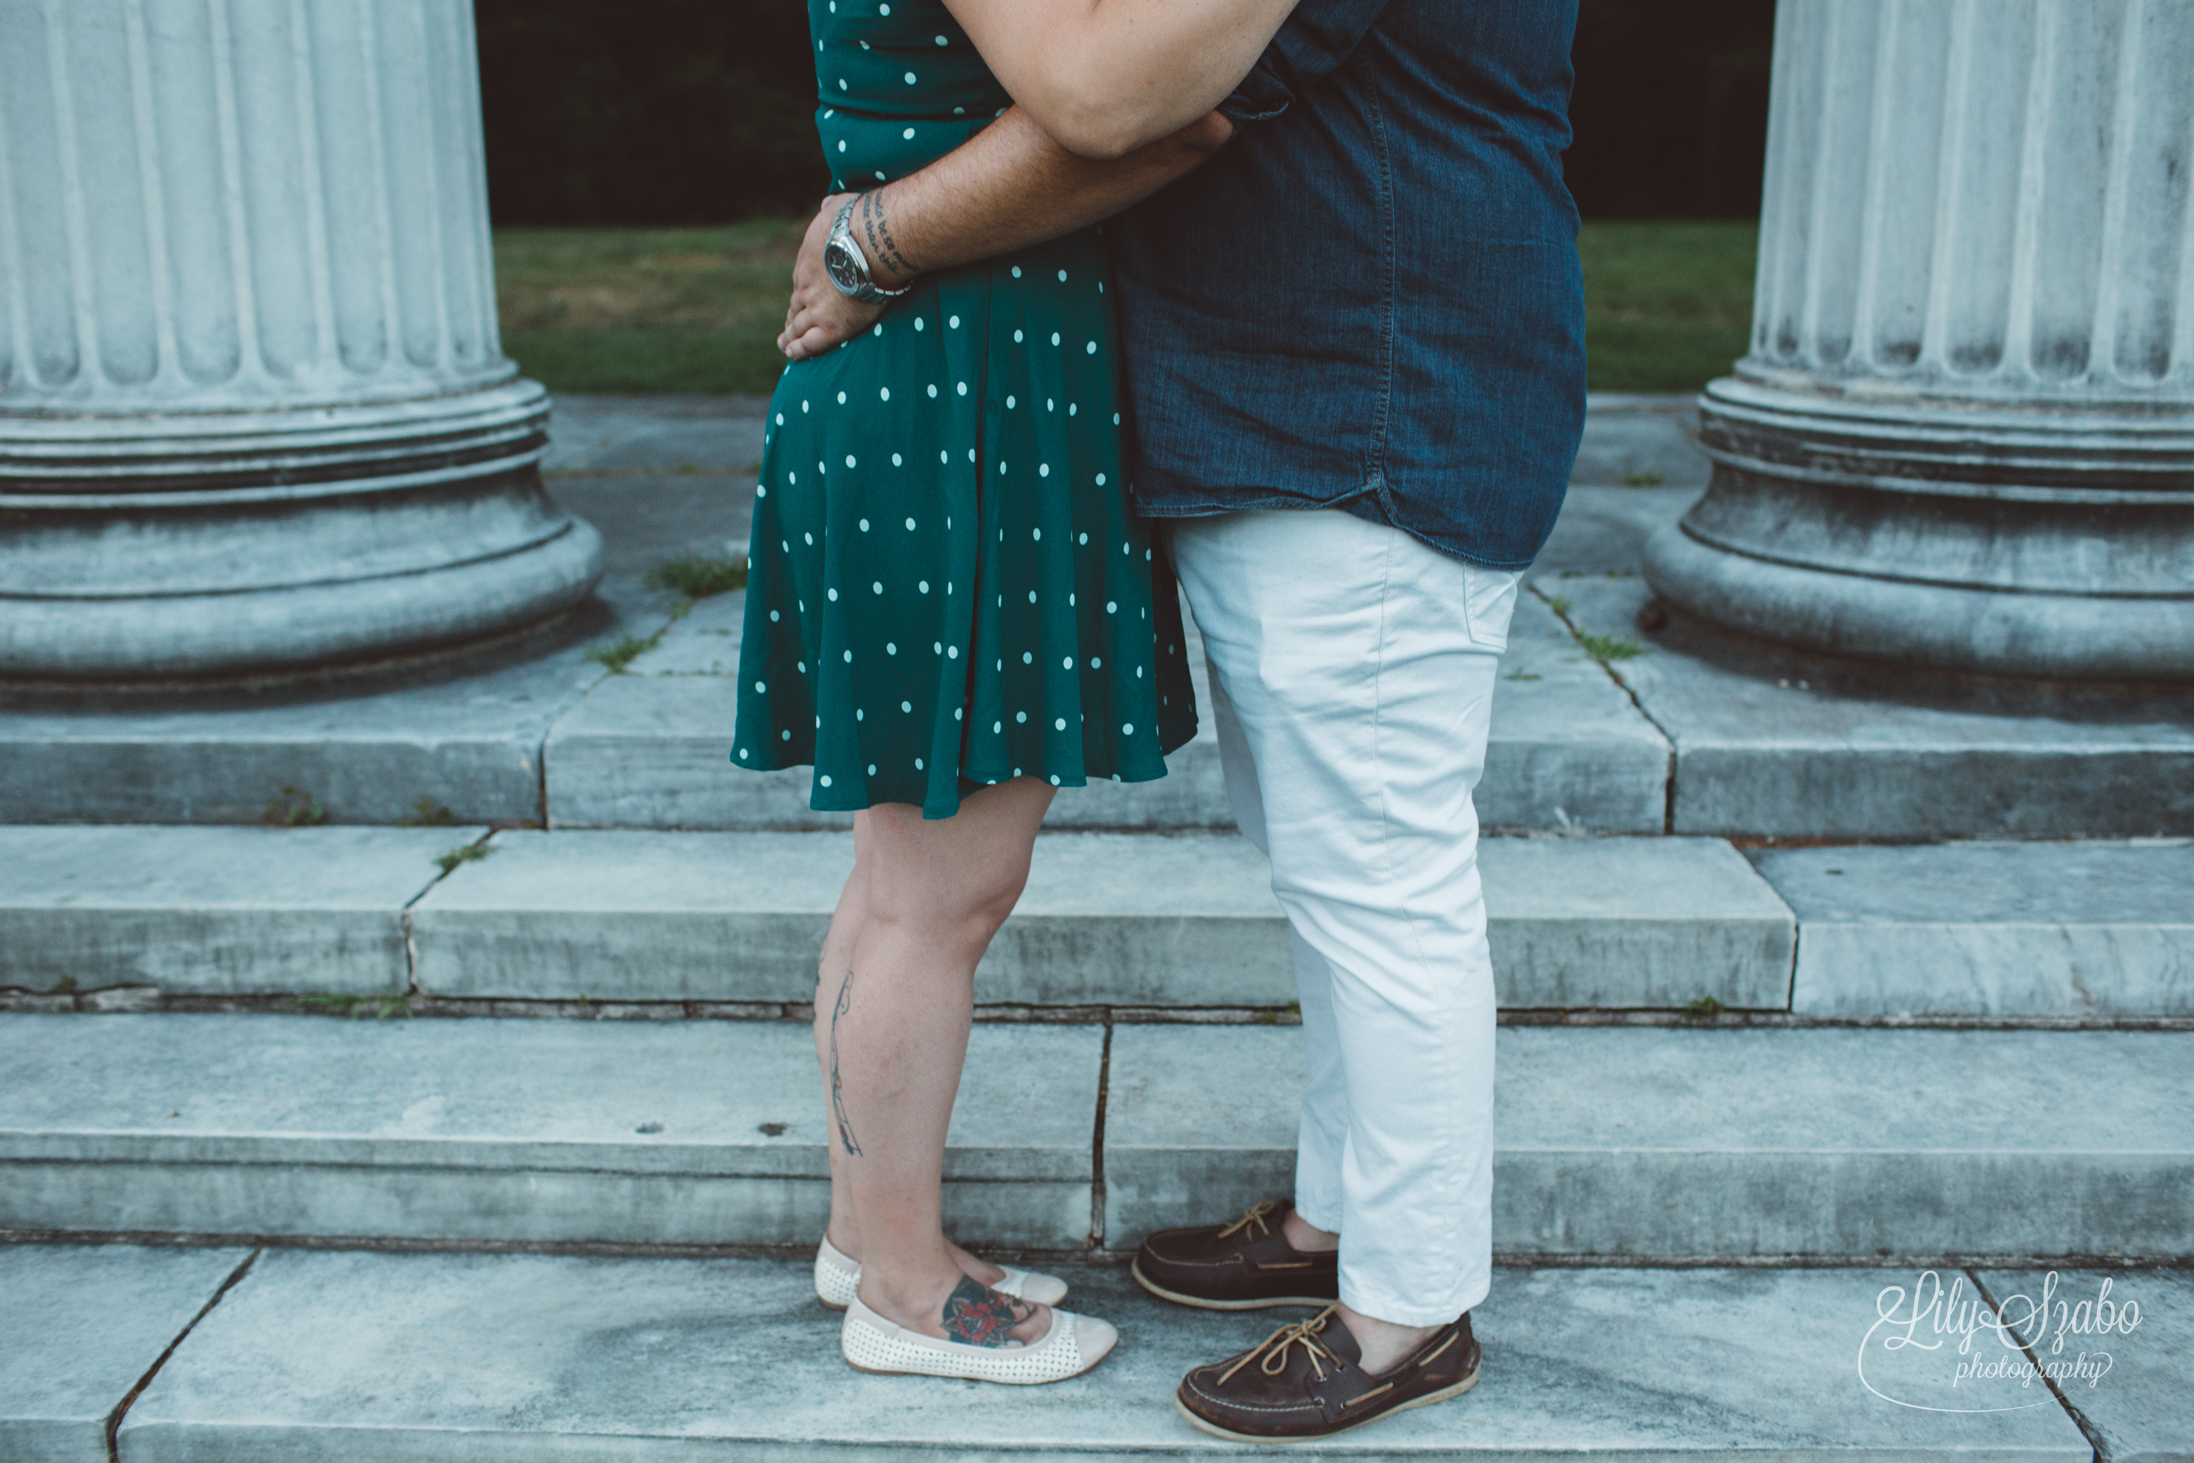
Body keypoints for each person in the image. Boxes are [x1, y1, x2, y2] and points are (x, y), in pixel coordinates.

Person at [777, 0, 1588, 1434]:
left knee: (1377, 871)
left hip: (1367, 398)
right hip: (1308, 395)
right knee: (1331, 860)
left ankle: (1405, 1305)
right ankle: (1337, 1221)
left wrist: (874, 240)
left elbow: (1151, 96)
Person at [734, 0, 1305, 1386]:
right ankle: (908, 1295)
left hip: (940, 374)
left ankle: (868, 1235)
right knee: (941, 894)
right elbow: (1141, 117)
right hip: (954, 392)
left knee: (896, 881)